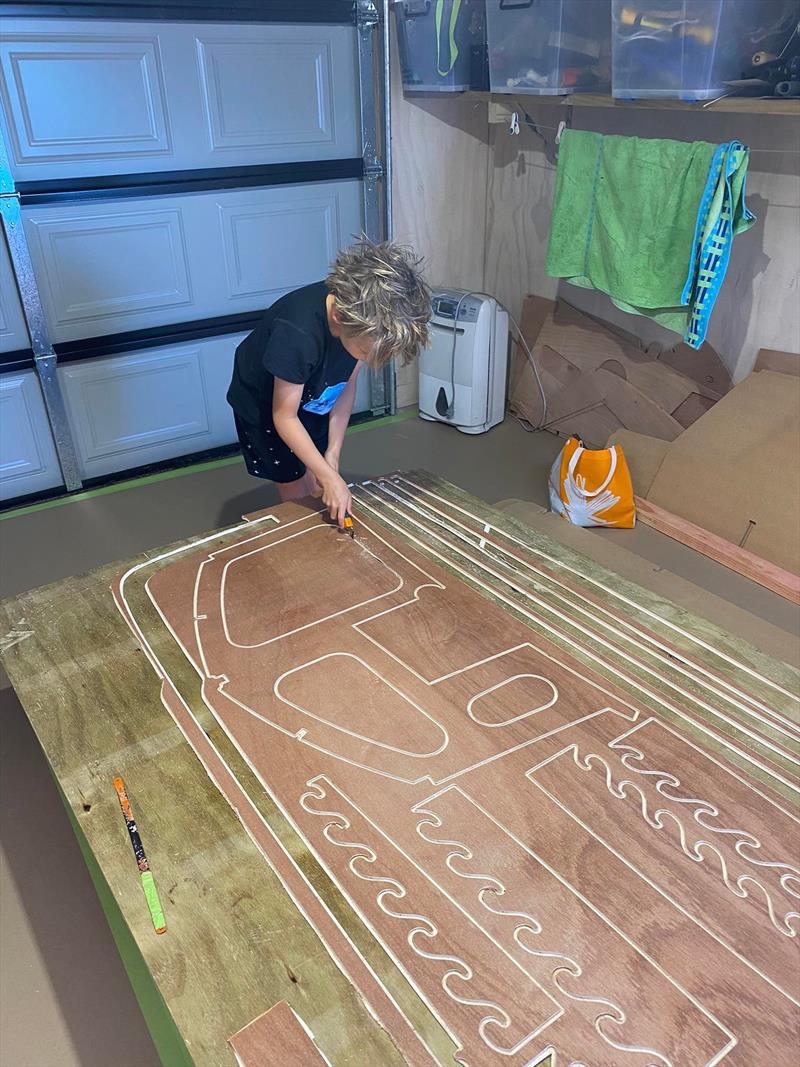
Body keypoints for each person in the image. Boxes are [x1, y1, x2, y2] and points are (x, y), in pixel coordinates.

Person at [227, 237, 431, 526]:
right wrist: (326, 476)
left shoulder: (363, 323)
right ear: (338, 316)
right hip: (265, 404)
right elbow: (283, 416)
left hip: (312, 391)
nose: (364, 359)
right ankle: (304, 534)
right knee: (296, 485)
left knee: (318, 467)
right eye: (362, 352)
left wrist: (332, 458)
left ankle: (318, 479)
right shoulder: (297, 334)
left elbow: (345, 386)